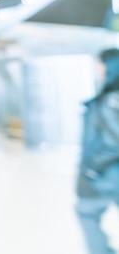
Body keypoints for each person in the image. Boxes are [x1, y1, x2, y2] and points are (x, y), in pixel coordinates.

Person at [76, 48, 119, 253]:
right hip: (109, 173)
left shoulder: (108, 102)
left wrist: (90, 170)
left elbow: (110, 143)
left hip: (105, 174)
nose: (96, 69)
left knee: (86, 213)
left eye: (99, 64)